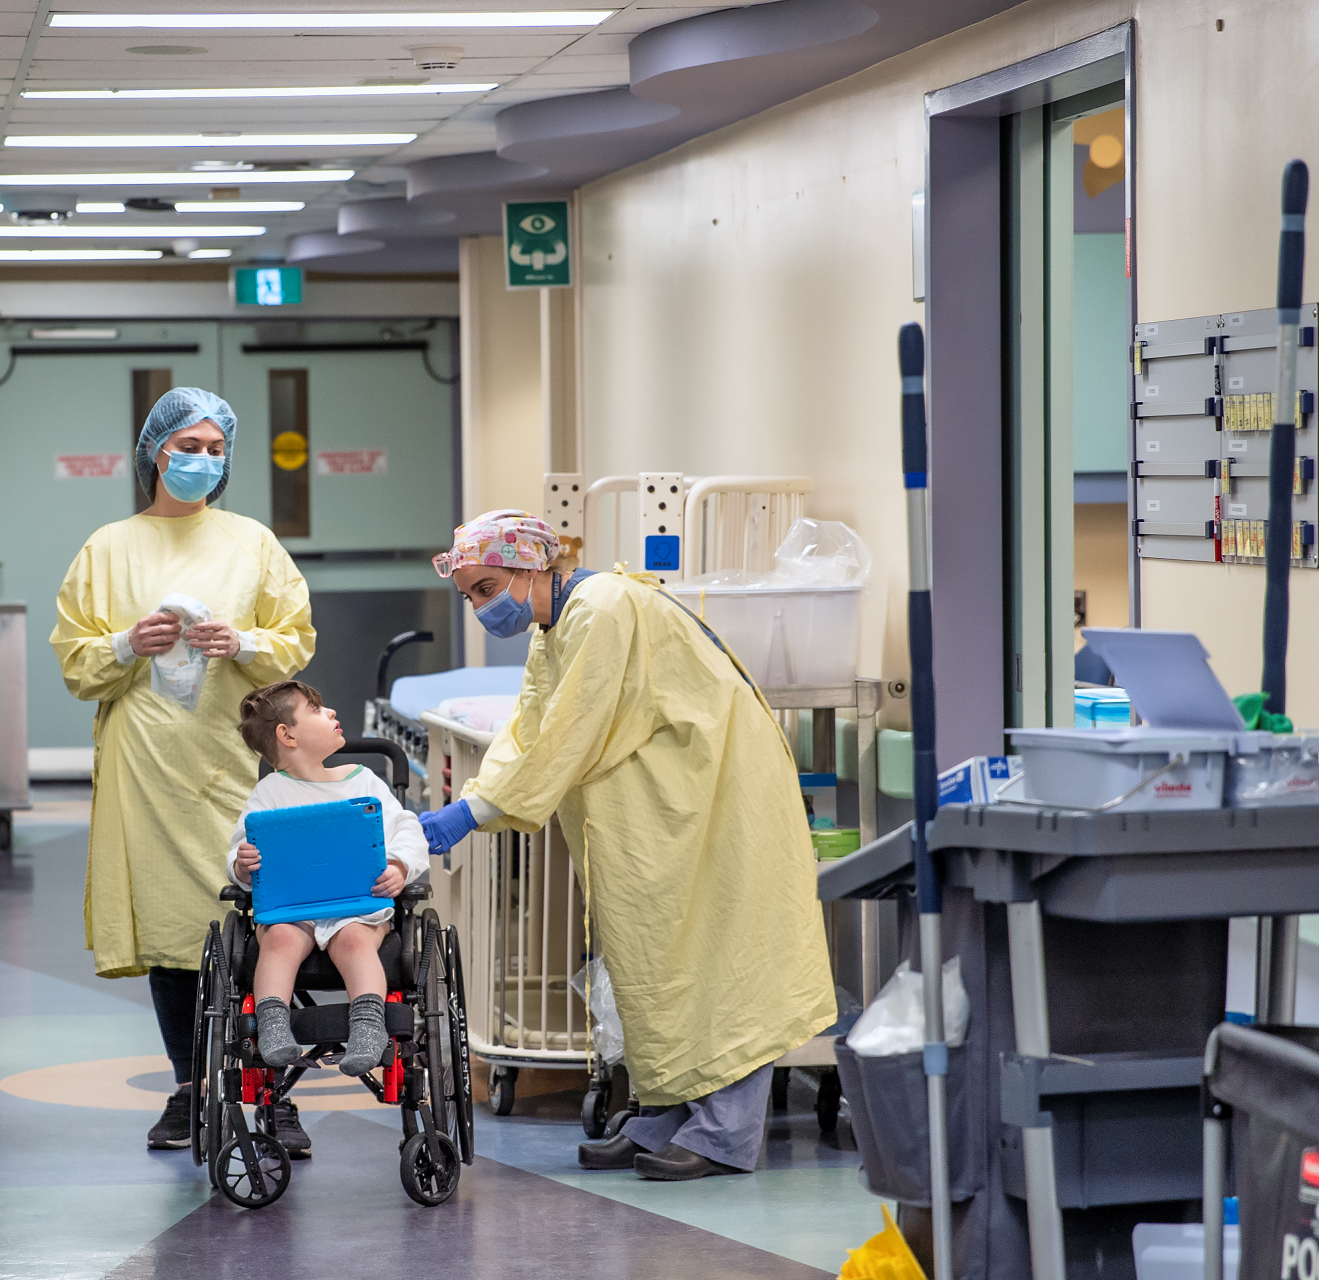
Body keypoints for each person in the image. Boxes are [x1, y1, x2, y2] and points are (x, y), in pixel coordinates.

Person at [419, 510, 835, 1181]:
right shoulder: (554, 629)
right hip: (661, 810)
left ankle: (725, 1134)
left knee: (718, 955)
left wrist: (476, 811)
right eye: (470, 595)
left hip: (715, 797)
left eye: (487, 587)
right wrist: (474, 798)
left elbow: (570, 730)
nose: (480, 606)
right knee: (656, 959)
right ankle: (667, 1115)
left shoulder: (603, 609)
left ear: (532, 566)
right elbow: (531, 726)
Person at [50, 388, 316, 1155]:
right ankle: (190, 1088)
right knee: (175, 934)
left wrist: (247, 644)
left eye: (214, 448)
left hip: (235, 757)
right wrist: (128, 644)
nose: (202, 459)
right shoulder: (107, 549)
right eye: (187, 445)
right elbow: (76, 663)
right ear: (155, 452)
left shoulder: (253, 544)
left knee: (267, 925)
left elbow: (294, 642)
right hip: (150, 765)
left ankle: (274, 1094)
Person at [227, 681, 428, 1076]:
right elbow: (239, 850)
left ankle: (368, 1026)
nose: (331, 713)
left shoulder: (363, 781)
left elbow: (408, 830)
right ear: (287, 735)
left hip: (356, 905)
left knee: (353, 938)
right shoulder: (269, 793)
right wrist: (241, 863)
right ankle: (273, 1024)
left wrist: (401, 866)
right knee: (280, 936)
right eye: (317, 709)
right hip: (291, 909)